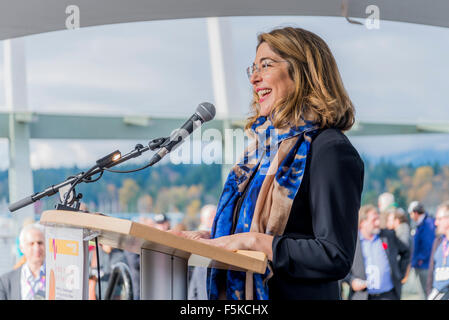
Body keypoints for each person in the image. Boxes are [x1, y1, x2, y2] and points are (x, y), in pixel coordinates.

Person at [175, 26, 364, 300]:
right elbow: (262, 231)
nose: (254, 78)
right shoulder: (262, 152)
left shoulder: (330, 149)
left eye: (266, 65)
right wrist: (215, 240)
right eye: (253, 68)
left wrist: (255, 243)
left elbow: (333, 254)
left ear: (303, 72)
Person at [344, 205, 410, 300]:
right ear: (362, 222)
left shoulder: (388, 235)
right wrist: (351, 280)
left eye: (378, 219)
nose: (378, 223)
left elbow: (406, 252)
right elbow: (339, 264)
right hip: (361, 296)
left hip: (388, 295)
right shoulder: (352, 241)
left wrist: (399, 273)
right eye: (374, 220)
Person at [0, 223, 46, 300]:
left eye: (40, 243)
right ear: (22, 248)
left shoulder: (58, 277)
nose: (36, 248)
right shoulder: (6, 282)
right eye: (31, 243)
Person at [188, 205, 217, 300]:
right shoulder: (195, 238)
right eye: (210, 217)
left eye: (215, 216)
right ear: (202, 219)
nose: (213, 219)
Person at [408, 200, 435, 295]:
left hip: (425, 265)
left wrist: (421, 259)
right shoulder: (421, 224)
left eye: (411, 213)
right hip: (421, 264)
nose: (410, 216)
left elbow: (429, 245)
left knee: (428, 293)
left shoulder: (427, 224)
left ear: (415, 213)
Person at [426, 201, 449, 299]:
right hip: (436, 294)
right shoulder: (438, 242)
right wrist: (429, 293)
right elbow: (431, 272)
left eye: (439, 219)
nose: (436, 223)